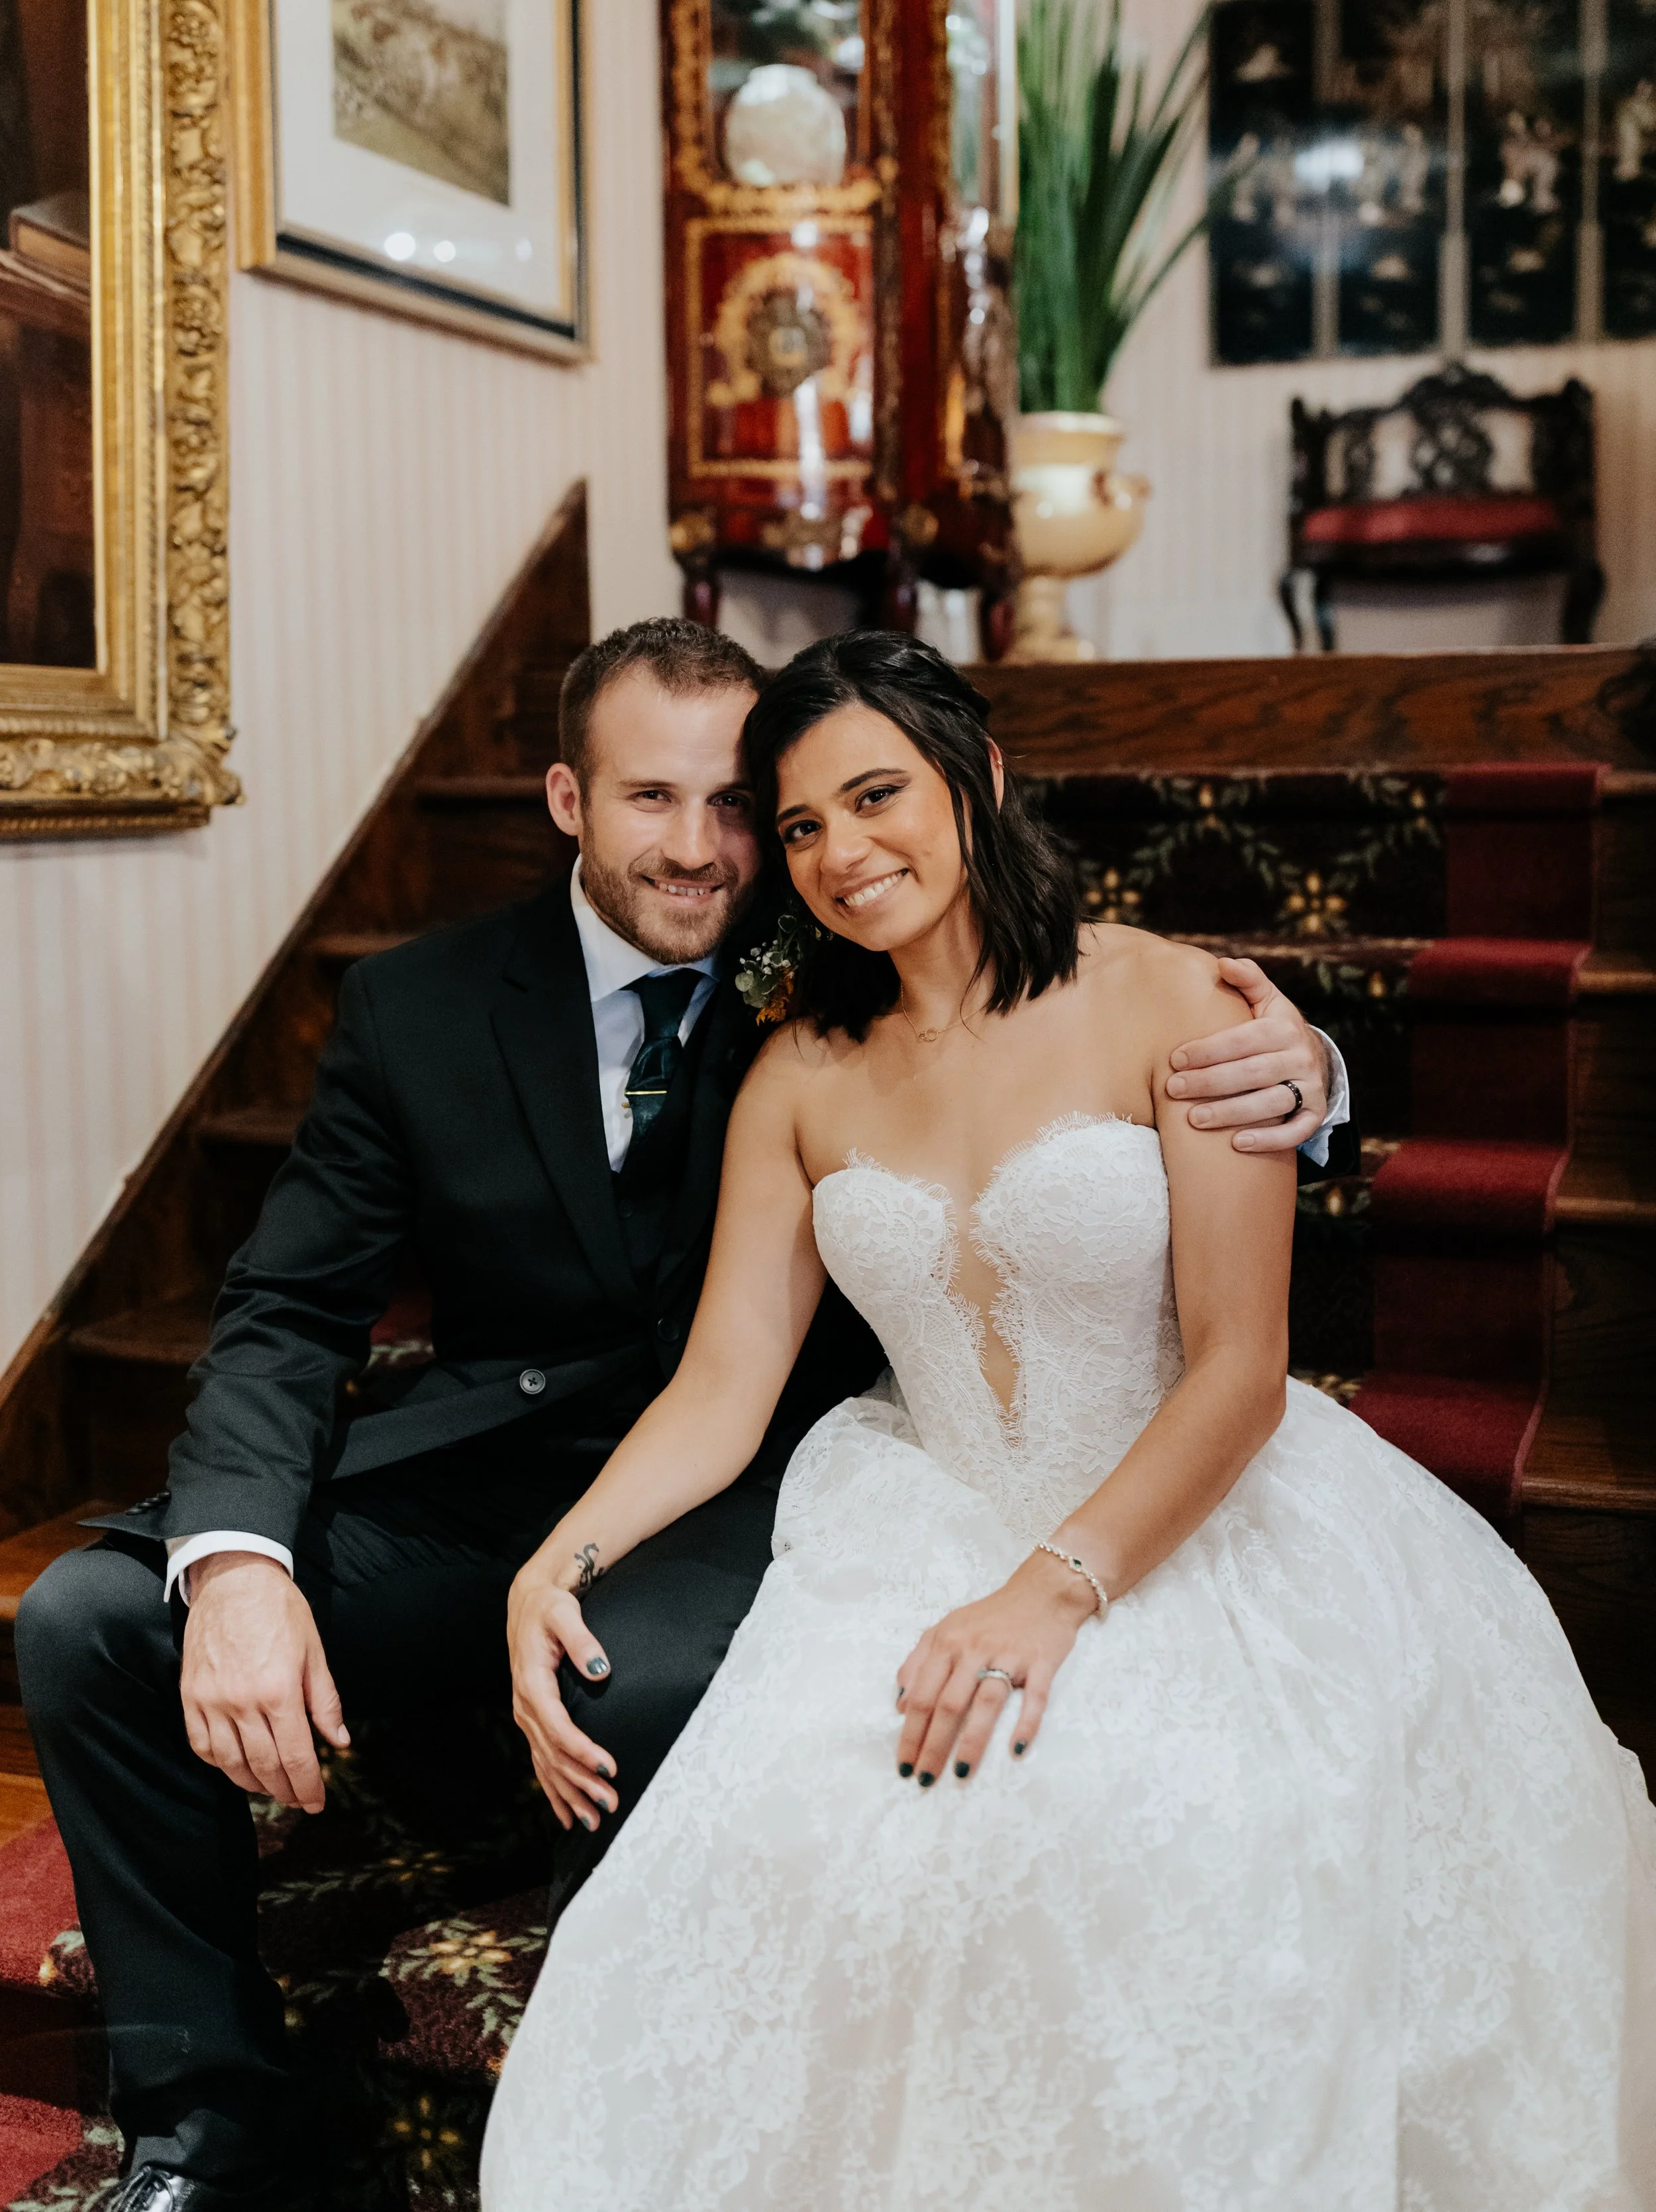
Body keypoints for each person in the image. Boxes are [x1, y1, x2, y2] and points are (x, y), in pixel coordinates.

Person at [15, 619, 1347, 2212]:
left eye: (744, 806)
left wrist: (1315, 1074)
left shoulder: (805, 964)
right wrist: (237, 1565)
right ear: (568, 799)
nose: (711, 849)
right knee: (95, 1618)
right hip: (486, 1476)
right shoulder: (423, 1008)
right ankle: (207, 2123)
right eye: (657, 798)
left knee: (639, 1676)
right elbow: (290, 1309)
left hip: (757, 1480)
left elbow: (1051, 1037)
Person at [482, 630, 1656, 2212]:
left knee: (1149, 1837)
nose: (840, 852)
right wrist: (554, 1560)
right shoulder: (796, 1076)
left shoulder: (1174, 1001)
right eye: (804, 823)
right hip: (917, 1511)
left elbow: (1241, 1369)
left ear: (978, 778)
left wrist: (1051, 1590)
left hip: (1187, 1514)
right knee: (801, 1841)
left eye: (876, 793)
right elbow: (723, 1384)